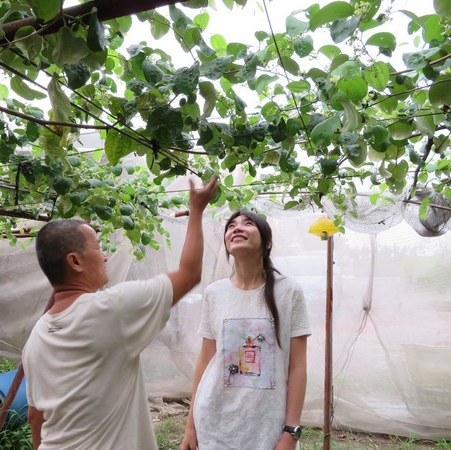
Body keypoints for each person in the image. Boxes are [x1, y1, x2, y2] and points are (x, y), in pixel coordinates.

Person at [21, 176, 218, 450]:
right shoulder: (110, 309)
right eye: (98, 247)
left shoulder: (37, 336)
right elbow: (189, 273)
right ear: (75, 261)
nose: (104, 256)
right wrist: (196, 210)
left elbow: (35, 415)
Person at [180, 210, 312, 450]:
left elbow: (298, 366)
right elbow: (204, 361)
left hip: (267, 427)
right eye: (231, 226)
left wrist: (291, 432)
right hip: (214, 421)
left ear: (267, 243)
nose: (237, 228)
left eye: (248, 223)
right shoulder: (215, 293)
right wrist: (191, 426)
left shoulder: (288, 291)